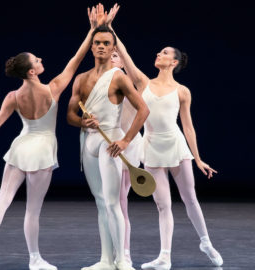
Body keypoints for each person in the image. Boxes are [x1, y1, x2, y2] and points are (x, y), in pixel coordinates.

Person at [0, 9, 98, 270]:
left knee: (2, 199)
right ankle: (34, 259)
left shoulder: (13, 97)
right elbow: (76, 59)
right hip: (42, 150)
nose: (41, 59)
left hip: (20, 146)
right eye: (37, 60)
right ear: (31, 71)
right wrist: (93, 30)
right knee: (32, 211)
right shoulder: (53, 89)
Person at [105, 4, 224, 269]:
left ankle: (206, 242)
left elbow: (188, 126)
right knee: (162, 206)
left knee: (189, 198)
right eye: (159, 51)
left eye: (165, 53)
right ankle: (164, 257)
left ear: (174, 62)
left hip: (176, 147)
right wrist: (110, 27)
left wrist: (198, 158)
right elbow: (124, 54)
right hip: (152, 148)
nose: (159, 54)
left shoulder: (183, 91)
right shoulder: (143, 82)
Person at [66, 5, 149, 270]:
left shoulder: (118, 77)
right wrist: (82, 121)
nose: (101, 46)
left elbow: (143, 110)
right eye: (97, 43)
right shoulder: (81, 79)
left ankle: (122, 260)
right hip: (87, 143)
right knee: (101, 203)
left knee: (113, 203)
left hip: (110, 142)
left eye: (106, 43)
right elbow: (69, 115)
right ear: (91, 47)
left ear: (112, 47)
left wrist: (125, 141)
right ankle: (105, 260)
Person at [111, 50, 143, 267]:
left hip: (128, 144)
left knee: (121, 202)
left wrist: (127, 141)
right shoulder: (98, 81)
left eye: (116, 55)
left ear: (123, 60)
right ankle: (111, 252)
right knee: (109, 203)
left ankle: (125, 253)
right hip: (109, 143)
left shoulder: (130, 83)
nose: (112, 57)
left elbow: (142, 112)